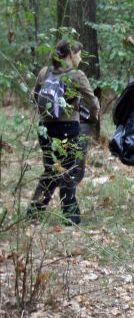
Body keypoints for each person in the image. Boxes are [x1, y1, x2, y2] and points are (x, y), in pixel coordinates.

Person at [29, 39, 99, 225]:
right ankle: (71, 217)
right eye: (79, 54)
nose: (80, 57)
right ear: (70, 54)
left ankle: (34, 211)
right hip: (68, 128)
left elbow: (34, 97)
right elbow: (92, 102)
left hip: (45, 128)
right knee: (68, 171)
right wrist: (92, 117)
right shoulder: (77, 75)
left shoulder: (45, 72)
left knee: (50, 169)